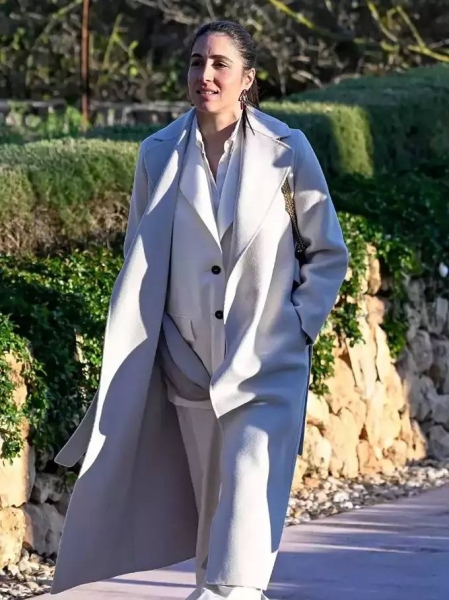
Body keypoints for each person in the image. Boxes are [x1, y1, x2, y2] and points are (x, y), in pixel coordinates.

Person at [50, 20, 348, 600]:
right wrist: (162, 343)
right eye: (196, 62)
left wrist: (297, 327)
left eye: (219, 64)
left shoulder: (288, 151)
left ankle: (229, 593)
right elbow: (141, 257)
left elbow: (327, 253)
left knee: (247, 498)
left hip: (266, 362)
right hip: (187, 362)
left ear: (247, 79)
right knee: (212, 508)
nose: (204, 74)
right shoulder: (157, 154)